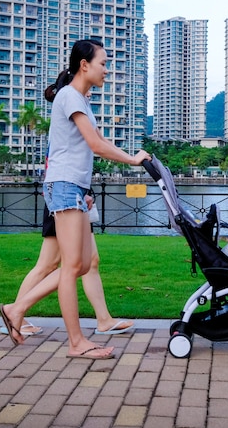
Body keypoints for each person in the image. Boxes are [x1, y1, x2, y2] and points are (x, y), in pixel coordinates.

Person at [40, 38, 149, 359]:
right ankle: (76, 343)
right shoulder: (70, 96)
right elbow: (95, 145)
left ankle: (18, 309)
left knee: (84, 263)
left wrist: (87, 190)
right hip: (63, 185)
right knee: (72, 265)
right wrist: (133, 159)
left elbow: (99, 140)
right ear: (84, 65)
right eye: (103, 63)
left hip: (74, 187)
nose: (107, 70)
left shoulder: (81, 100)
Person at [0, 200, 134, 345]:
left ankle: (104, 319)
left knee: (90, 261)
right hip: (65, 201)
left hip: (77, 200)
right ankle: (16, 312)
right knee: (50, 264)